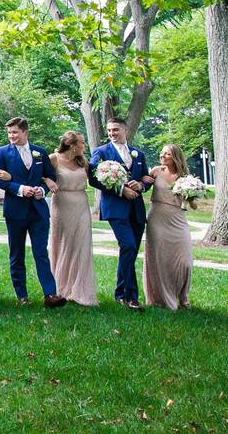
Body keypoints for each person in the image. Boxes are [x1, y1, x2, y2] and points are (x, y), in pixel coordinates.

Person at [0, 116, 66, 308]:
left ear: (25, 132)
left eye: (15, 132)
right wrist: (20, 188)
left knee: (41, 252)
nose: (11, 136)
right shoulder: (2, 152)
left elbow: (50, 176)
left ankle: (50, 294)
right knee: (16, 254)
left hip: (39, 212)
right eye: (9, 133)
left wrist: (43, 189)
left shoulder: (40, 152)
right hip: (15, 210)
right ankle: (22, 295)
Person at [89, 116, 152, 310]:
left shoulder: (138, 154)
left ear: (125, 130)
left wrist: (141, 184)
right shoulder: (100, 152)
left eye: (115, 129)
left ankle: (120, 292)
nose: (112, 133)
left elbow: (146, 178)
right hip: (115, 208)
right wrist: (120, 189)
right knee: (129, 245)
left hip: (136, 209)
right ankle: (131, 297)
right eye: (109, 130)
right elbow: (93, 178)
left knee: (129, 250)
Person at [48, 131, 97, 306]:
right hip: (61, 205)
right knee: (63, 244)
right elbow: (39, 174)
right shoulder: (54, 158)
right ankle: (61, 287)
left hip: (81, 205)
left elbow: (95, 180)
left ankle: (79, 289)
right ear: (72, 145)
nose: (85, 146)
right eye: (82, 143)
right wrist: (47, 181)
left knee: (81, 245)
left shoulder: (83, 161)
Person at [143, 144, 193, 310]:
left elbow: (193, 205)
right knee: (159, 259)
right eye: (162, 153)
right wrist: (142, 181)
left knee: (185, 261)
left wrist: (192, 195)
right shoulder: (156, 171)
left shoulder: (185, 177)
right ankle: (161, 297)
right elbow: (143, 188)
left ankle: (183, 297)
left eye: (167, 154)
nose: (163, 156)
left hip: (177, 219)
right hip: (157, 217)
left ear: (176, 157)